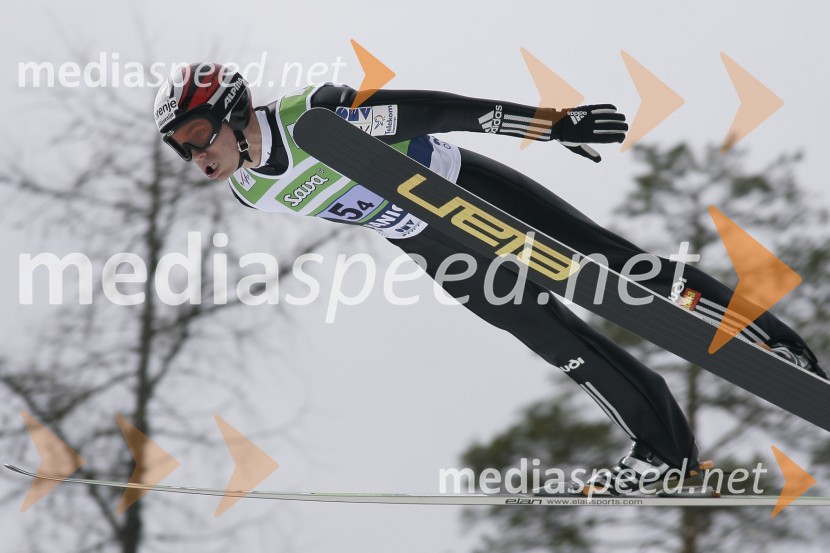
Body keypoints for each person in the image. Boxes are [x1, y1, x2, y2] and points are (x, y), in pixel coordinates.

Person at [153, 63, 825, 496]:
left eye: (199, 131)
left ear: (235, 108)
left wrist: (551, 124)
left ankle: (771, 341)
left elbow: (437, 110)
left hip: (461, 187)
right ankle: (664, 447)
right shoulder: (250, 194)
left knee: (612, 264)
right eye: (181, 146)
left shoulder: (313, 117)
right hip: (432, 243)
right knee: (554, 338)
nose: (196, 154)